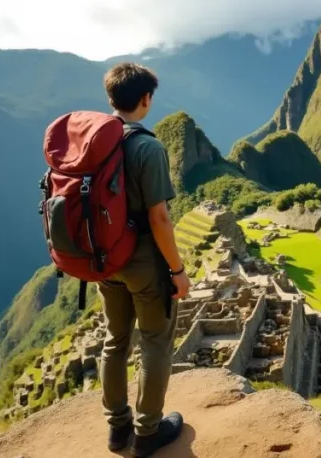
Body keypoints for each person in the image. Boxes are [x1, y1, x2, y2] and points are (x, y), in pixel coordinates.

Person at [98, 62, 192, 457]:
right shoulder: (148, 147)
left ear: (111, 98)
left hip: (103, 259)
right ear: (146, 99)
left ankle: (118, 430)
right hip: (140, 262)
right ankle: (149, 432)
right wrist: (178, 270)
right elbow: (159, 218)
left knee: (115, 340)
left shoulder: (95, 142)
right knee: (154, 341)